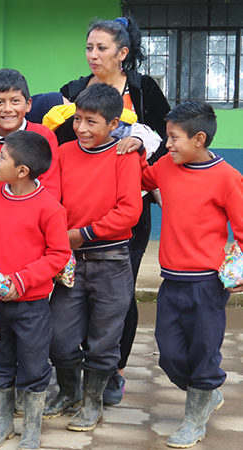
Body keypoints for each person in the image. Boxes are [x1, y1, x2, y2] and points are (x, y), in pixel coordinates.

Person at [57, 17, 171, 404]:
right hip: (76, 214)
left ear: (122, 53)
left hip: (126, 209)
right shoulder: (72, 90)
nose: (93, 55)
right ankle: (76, 372)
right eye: (89, 47)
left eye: (101, 48)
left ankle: (112, 371)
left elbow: (166, 140)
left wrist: (139, 142)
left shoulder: (144, 89)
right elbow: (63, 143)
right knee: (73, 297)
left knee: (117, 296)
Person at [140, 102, 243, 448]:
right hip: (172, 280)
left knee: (203, 351)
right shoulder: (166, 166)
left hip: (208, 284)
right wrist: (132, 145)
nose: (167, 145)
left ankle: (193, 419)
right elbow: (141, 177)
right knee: (168, 353)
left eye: (173, 138)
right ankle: (207, 391)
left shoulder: (227, 177)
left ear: (199, 139)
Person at [45, 84, 142, 432]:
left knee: (105, 338)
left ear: (114, 123)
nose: (83, 129)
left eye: (93, 122)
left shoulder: (124, 155)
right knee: (59, 337)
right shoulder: (64, 152)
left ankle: (92, 401)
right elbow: (52, 198)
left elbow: (130, 210)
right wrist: (60, 233)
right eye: (79, 120)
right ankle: (68, 391)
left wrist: (83, 233)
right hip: (69, 261)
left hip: (111, 259)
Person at [0, 131, 70, 449]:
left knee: (34, 363)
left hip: (31, 305)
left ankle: (31, 429)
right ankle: (3, 424)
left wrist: (20, 281)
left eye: (1, 158)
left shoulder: (49, 207)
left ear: (22, 171)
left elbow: (58, 255)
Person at [0, 69, 61, 200]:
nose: (8, 109)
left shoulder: (42, 135)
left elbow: (50, 190)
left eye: (15, 101)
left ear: (28, 105)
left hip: (32, 216)